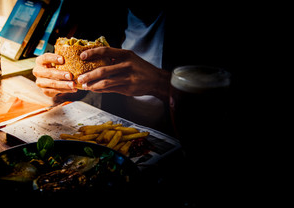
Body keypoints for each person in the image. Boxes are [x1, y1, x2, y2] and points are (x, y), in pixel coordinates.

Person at [33, 0, 236, 131]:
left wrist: (160, 83)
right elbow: (85, 78)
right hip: (118, 141)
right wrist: (59, 85)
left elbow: (221, 109)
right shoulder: (102, 11)